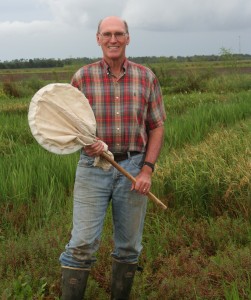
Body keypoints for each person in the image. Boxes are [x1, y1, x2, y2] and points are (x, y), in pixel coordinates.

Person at [59, 16, 166, 299]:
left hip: (132, 167)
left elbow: (156, 126)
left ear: (128, 38)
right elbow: (67, 125)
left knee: (129, 247)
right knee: (81, 243)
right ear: (98, 39)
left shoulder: (146, 77)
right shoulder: (82, 77)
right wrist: (85, 143)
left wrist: (147, 170)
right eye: (107, 34)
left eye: (119, 34)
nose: (113, 39)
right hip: (92, 167)